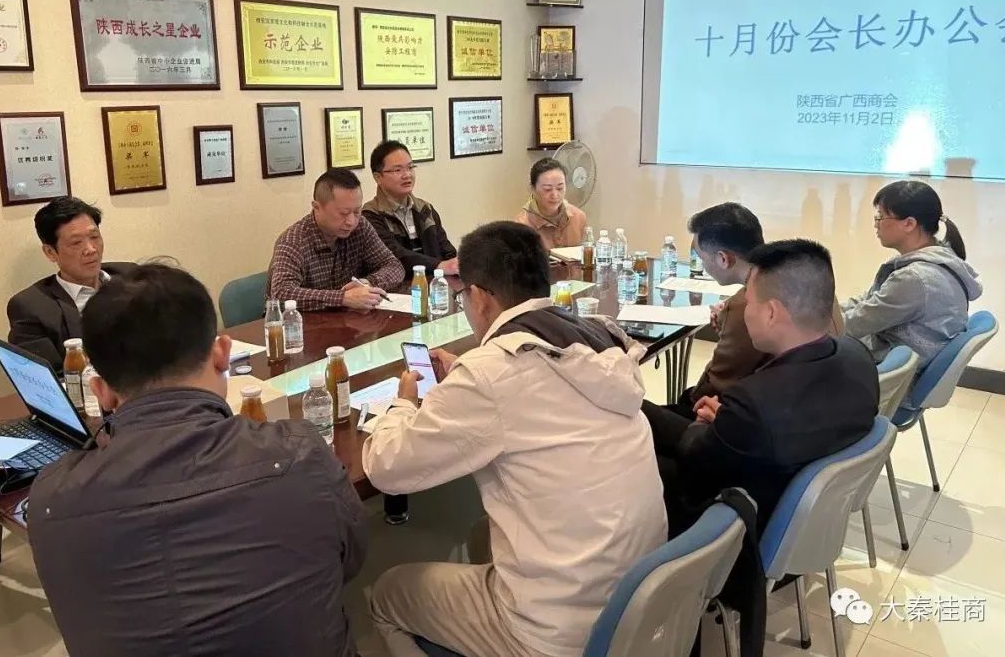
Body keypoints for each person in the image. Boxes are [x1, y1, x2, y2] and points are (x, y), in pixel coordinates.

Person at [27, 263, 367, 657]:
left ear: (100, 391)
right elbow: (349, 559)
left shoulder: (51, 498)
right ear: (222, 353)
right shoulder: (300, 453)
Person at [363, 221, 667, 657]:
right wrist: (468, 372)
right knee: (482, 535)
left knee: (387, 594)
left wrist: (404, 404)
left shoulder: (490, 375)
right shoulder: (595, 339)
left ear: (480, 297)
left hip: (556, 629)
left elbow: (387, 467)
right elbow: (529, 388)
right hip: (637, 600)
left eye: (463, 297)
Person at [644, 240, 878, 535]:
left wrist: (718, 423)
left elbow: (695, 458)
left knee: (631, 455)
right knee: (642, 413)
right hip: (804, 512)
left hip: (740, 523)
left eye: (749, 302)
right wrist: (729, 422)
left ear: (770, 313)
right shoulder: (857, 357)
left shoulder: (755, 401)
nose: (744, 312)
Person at [649, 202, 843, 420]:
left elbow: (712, 387)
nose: (703, 266)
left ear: (723, 259)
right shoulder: (808, 280)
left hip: (768, 418)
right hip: (820, 400)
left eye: (702, 259)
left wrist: (732, 321)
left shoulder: (745, 307)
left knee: (648, 413)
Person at [844, 180, 981, 372]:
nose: (876, 224)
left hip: (892, 376)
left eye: (880, 217)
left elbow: (855, 324)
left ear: (909, 224)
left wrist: (812, 321)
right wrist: (826, 311)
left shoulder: (914, 278)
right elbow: (868, 302)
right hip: (902, 362)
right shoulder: (939, 261)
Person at [6, 196, 135, 374]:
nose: (91, 249)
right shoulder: (31, 307)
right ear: (50, 252)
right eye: (76, 243)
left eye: (94, 237)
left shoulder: (131, 276)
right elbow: (52, 379)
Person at [269, 168, 405, 311]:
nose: (351, 221)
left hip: (347, 319)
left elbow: (394, 266)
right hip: (300, 321)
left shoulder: (361, 227)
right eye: (343, 213)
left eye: (357, 211)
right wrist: (343, 298)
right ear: (316, 207)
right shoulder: (293, 241)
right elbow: (281, 293)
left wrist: (368, 283)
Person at [362, 140, 458, 276]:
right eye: (398, 170)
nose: (407, 175)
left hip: (435, 284)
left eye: (410, 167)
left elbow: (447, 251)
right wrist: (438, 266)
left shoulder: (425, 209)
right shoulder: (370, 215)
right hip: (397, 286)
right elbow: (394, 255)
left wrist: (455, 265)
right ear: (378, 177)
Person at [514, 158, 587, 252]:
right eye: (547, 189)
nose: (555, 195)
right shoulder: (521, 226)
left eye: (560, 188)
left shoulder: (579, 217)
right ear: (532, 189)